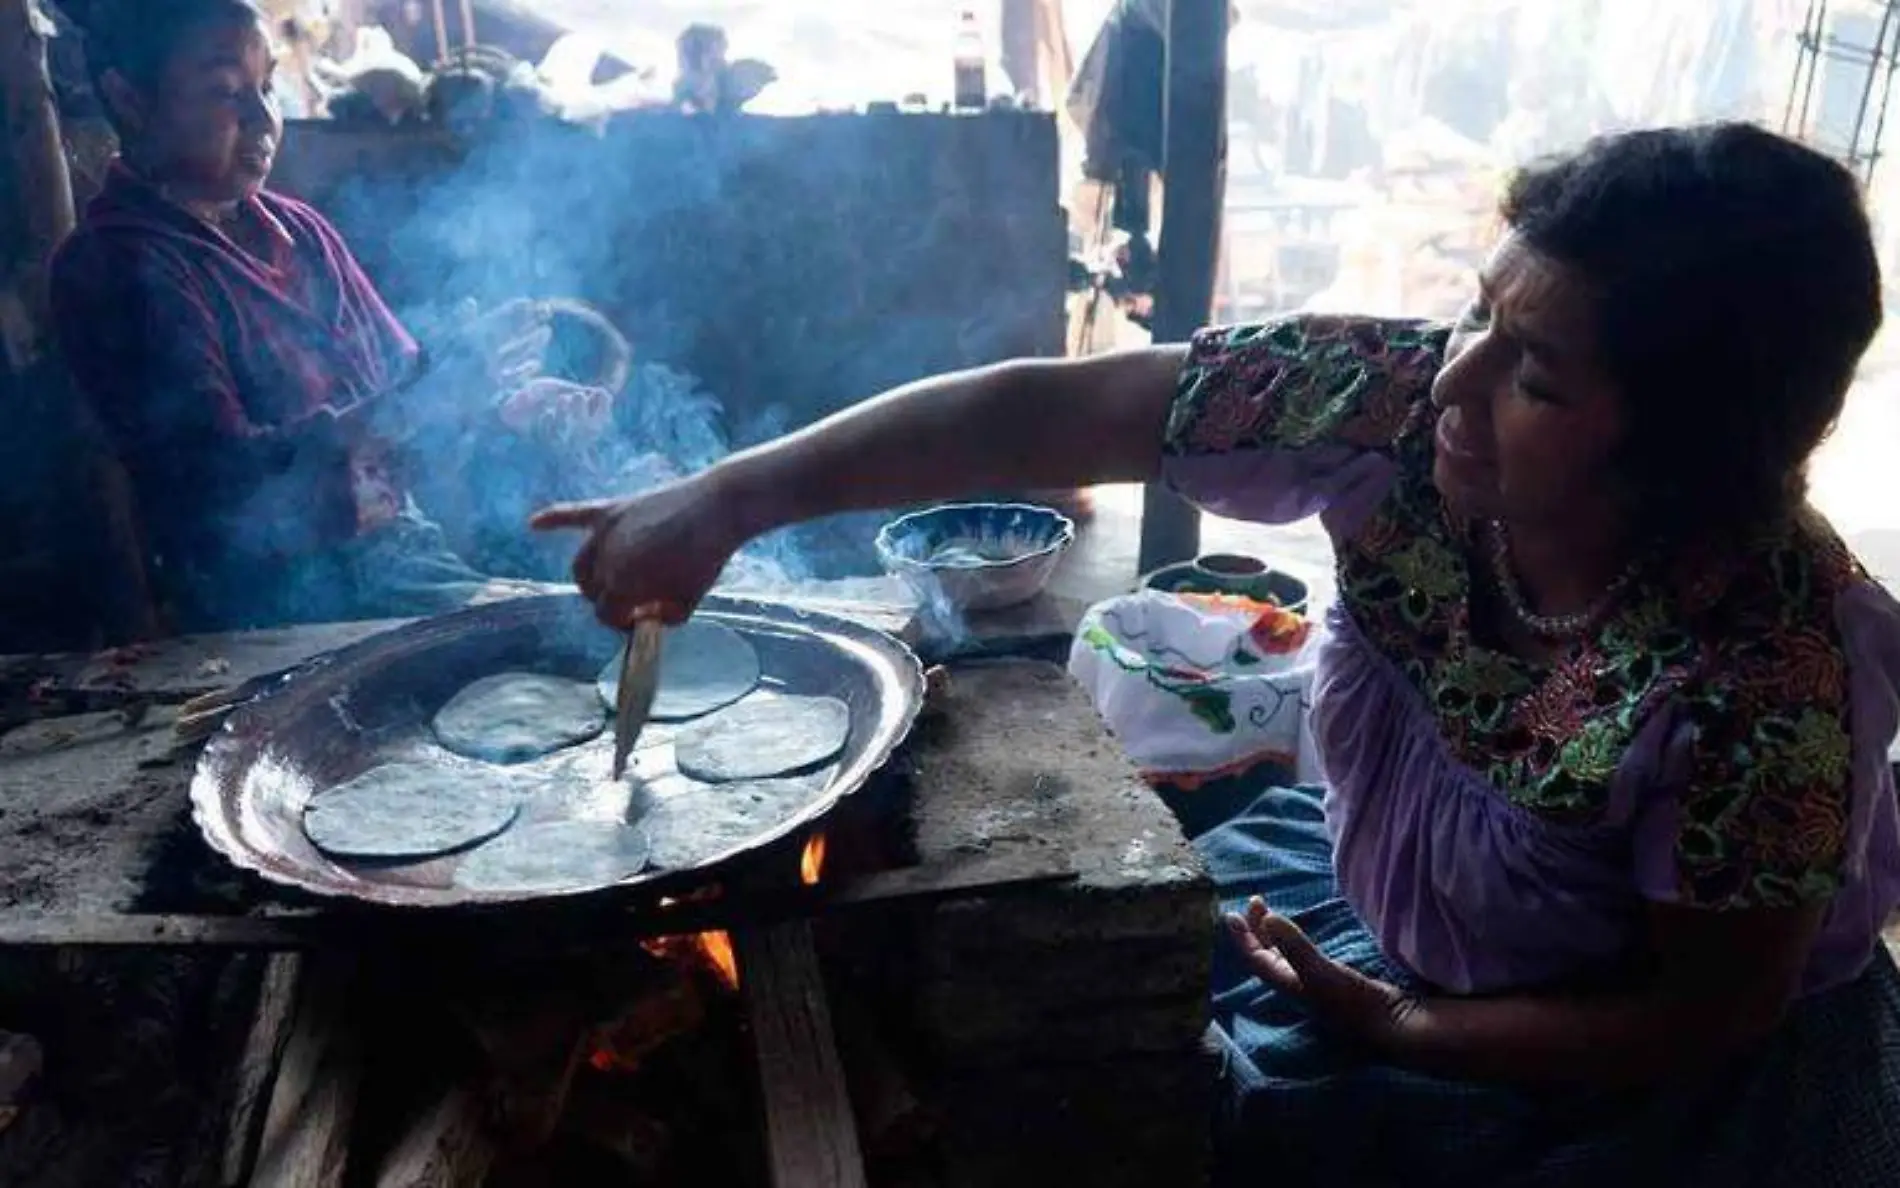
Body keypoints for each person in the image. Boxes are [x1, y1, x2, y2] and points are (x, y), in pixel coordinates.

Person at [538, 123, 1900, 1185]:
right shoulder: (1394, 403)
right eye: (1479, 314)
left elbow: (1695, 1017)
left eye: (1535, 374)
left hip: (1638, 1085)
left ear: (1683, 448)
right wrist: (729, 498)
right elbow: (1067, 406)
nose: (1453, 381)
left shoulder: (1771, 681)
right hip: (1399, 936)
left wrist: (1408, 1035)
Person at [50, 0, 608, 633]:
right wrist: (429, 396)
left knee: (608, 619)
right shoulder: (116, 265)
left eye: (265, 88)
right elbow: (227, 498)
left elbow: (406, 398)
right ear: (131, 100)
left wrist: (505, 404)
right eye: (226, 92)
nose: (263, 118)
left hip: (404, 567)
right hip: (271, 610)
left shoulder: (301, 234)